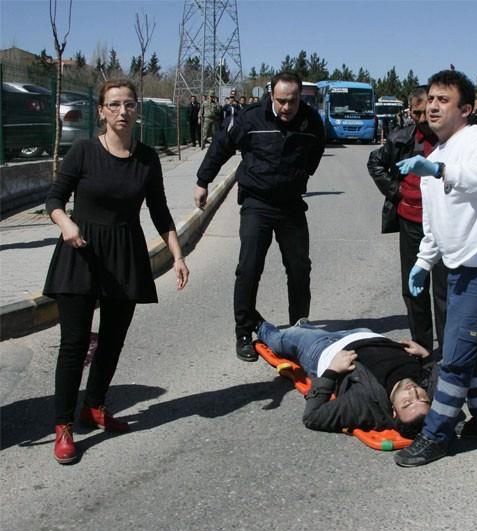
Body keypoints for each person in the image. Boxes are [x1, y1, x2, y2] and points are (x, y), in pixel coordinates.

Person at [44, 79, 190, 464]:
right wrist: (65, 223)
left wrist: (177, 255)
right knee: (74, 343)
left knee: (112, 340)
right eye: (114, 104)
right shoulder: (83, 151)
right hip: (80, 252)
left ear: (137, 110)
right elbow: (54, 198)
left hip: (125, 255)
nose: (122, 111)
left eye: (129, 104)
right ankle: (63, 426)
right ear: (101, 111)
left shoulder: (147, 158)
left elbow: (159, 211)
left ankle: (93, 406)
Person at [394, 70, 477, 467]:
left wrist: (441, 172)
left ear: (465, 109)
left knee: (453, 356)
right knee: (468, 349)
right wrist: (423, 262)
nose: (433, 106)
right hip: (461, 267)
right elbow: (435, 223)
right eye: (431, 99)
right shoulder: (434, 156)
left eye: (444, 100)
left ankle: (436, 435)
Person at [194, 72, 325, 362]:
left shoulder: (311, 121)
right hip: (257, 203)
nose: (287, 107)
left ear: (300, 98)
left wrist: (298, 175)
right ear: (271, 97)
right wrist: (203, 180)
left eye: (292, 101)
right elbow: (221, 145)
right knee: (249, 267)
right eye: (281, 101)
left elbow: (315, 153)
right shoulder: (251, 118)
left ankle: (299, 329)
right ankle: (243, 331)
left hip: (291, 204)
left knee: (299, 268)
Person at [367, 86, 447, 357]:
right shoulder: (401, 138)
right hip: (410, 222)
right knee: (414, 289)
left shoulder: (450, 140)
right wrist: (396, 190)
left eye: (427, 112)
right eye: (416, 113)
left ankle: (447, 348)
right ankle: (422, 346)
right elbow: (375, 162)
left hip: (443, 225)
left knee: (444, 290)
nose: (422, 118)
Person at [256, 319, 432, 437]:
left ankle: (256, 324)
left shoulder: (364, 404)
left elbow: (312, 417)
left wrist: (331, 371)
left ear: (393, 411)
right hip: (365, 334)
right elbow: (440, 374)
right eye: (423, 398)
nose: (414, 392)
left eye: (407, 402)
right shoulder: (428, 386)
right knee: (303, 330)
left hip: (323, 347)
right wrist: (426, 356)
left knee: (281, 339)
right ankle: (305, 327)